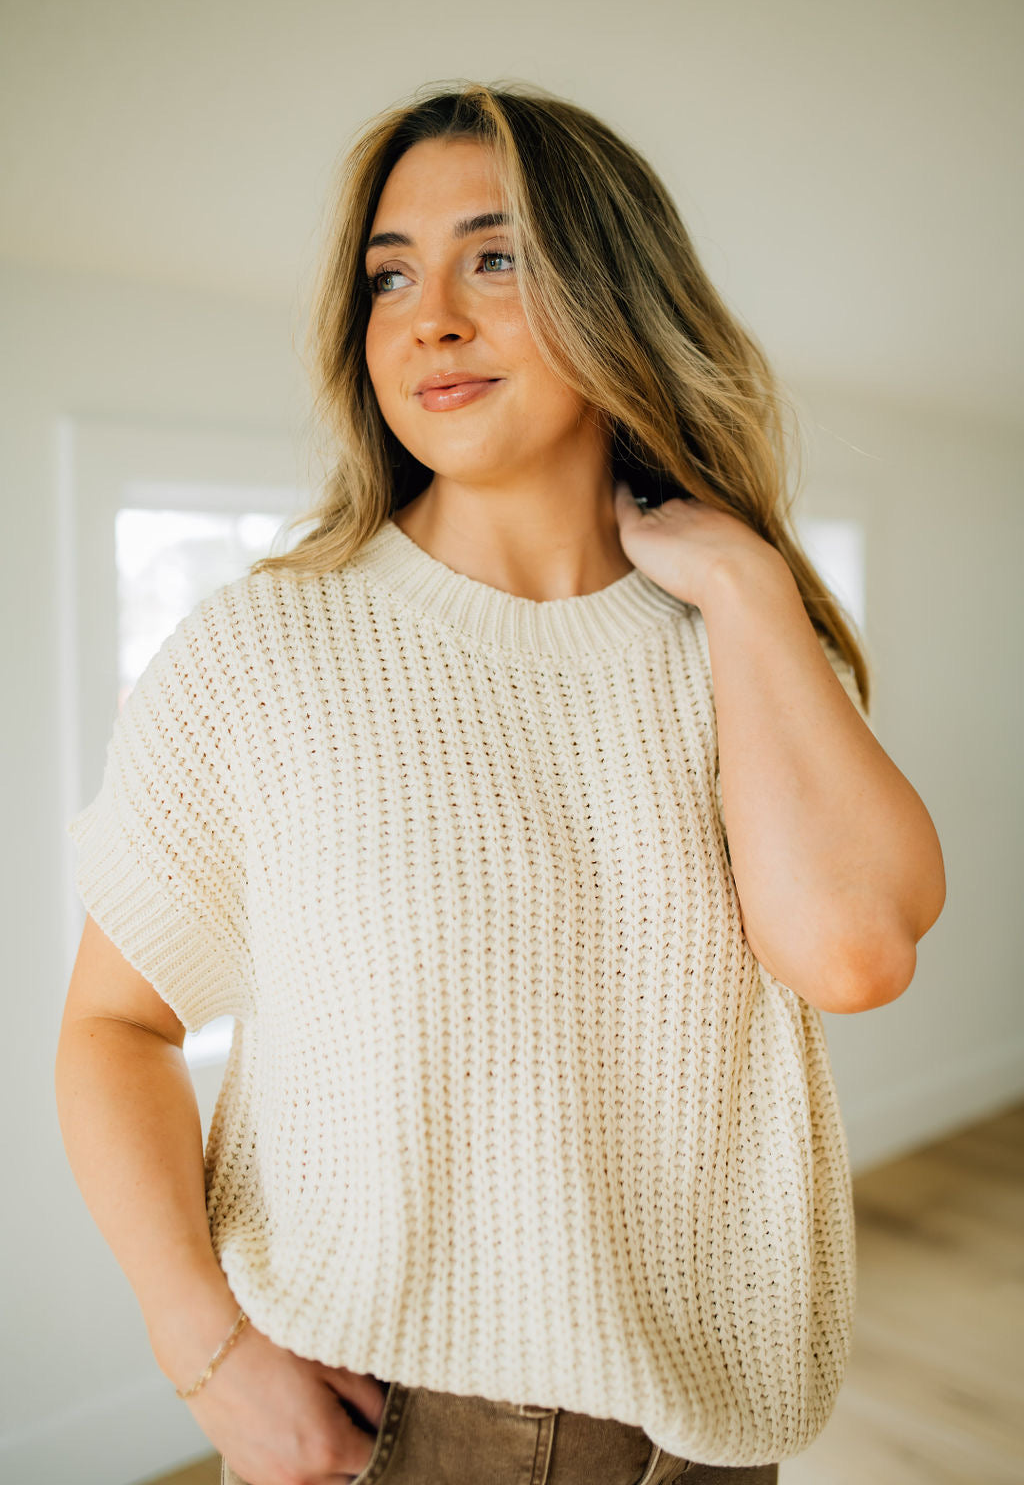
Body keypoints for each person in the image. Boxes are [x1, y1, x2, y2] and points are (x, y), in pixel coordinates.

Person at [55, 81, 946, 1485]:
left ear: (619, 294)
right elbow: (112, 1028)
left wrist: (744, 585)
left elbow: (852, 951)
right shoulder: (265, 649)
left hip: (714, 1427)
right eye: (390, 274)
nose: (432, 317)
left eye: (497, 256)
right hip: (393, 1427)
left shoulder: (744, 641)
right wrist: (206, 1353)